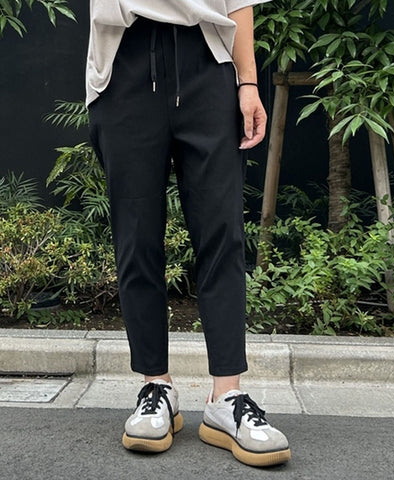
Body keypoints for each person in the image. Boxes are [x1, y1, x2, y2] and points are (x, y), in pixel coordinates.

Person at [86, 0, 291, 467]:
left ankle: (226, 397)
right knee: (136, 237)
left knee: (222, 235)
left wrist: (248, 81)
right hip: (124, 63)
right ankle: (155, 386)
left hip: (208, 62)